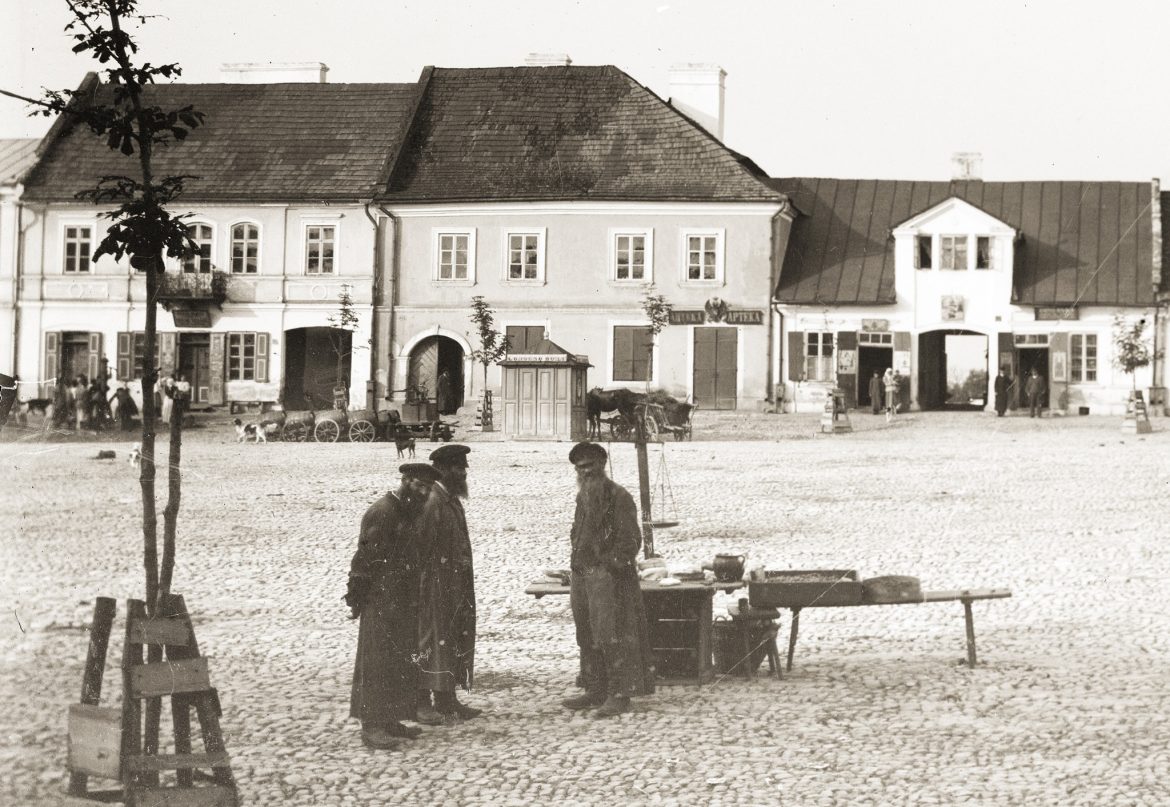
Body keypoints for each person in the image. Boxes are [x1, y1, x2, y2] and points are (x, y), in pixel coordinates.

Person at [347, 462, 442, 750]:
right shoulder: (384, 511)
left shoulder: (407, 512)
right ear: (405, 481)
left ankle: (390, 719)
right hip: (381, 601)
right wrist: (358, 598)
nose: (424, 492)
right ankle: (372, 725)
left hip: (402, 599)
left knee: (398, 661)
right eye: (419, 486)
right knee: (377, 662)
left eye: (428, 488)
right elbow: (364, 559)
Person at [561, 441, 655, 718]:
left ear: (602, 465)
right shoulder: (583, 496)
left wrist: (606, 566)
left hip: (609, 578)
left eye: (590, 466)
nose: (586, 472)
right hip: (583, 576)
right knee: (586, 633)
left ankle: (619, 693)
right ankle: (595, 689)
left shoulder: (619, 497)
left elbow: (630, 542)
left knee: (610, 634)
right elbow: (577, 530)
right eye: (581, 468)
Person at [416, 443, 481, 724]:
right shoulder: (432, 502)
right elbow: (420, 546)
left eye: (464, 467)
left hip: (454, 583)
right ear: (441, 470)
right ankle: (420, 702)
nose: (463, 472)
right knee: (430, 640)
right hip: (435, 585)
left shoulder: (451, 499)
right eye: (457, 467)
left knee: (452, 637)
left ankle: (447, 699)